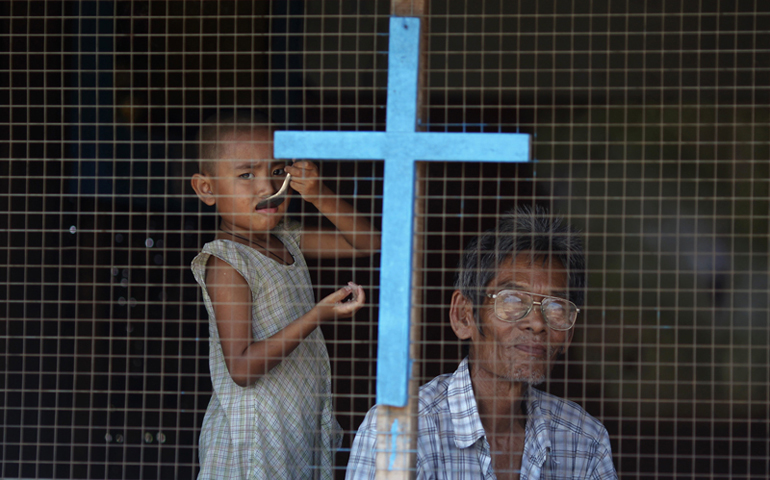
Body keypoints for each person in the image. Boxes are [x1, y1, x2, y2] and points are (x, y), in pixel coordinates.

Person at [347, 205, 617, 479]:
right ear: (464, 315)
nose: (536, 323)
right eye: (512, 300)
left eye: (557, 307)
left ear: (568, 334)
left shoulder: (584, 440)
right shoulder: (400, 431)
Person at [190, 111, 380, 479]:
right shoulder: (227, 263)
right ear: (206, 189)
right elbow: (242, 369)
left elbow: (366, 243)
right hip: (251, 438)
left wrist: (319, 194)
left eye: (278, 173)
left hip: (293, 427)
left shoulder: (287, 239)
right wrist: (317, 315)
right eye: (247, 175)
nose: (268, 188)